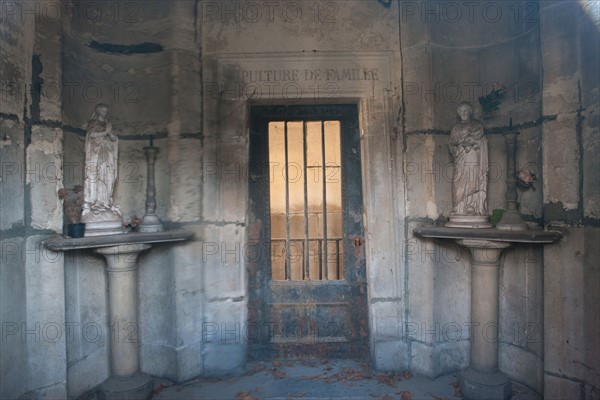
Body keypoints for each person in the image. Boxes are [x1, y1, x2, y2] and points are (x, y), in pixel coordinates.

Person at [81, 104, 121, 222]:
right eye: (103, 111)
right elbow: (91, 135)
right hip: (96, 156)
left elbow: (114, 139)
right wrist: (105, 132)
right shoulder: (93, 123)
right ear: (98, 112)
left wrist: (109, 132)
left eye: (106, 111)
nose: (105, 113)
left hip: (107, 156)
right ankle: (95, 203)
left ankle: (106, 203)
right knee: (95, 178)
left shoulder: (108, 125)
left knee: (107, 178)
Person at [448, 102, 489, 217]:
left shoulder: (476, 125)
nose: (463, 113)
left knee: (472, 180)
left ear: (470, 112)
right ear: (458, 113)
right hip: (460, 157)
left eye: (466, 111)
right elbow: (451, 142)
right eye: (461, 111)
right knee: (457, 181)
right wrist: (454, 149)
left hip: (472, 156)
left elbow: (481, 138)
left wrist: (473, 141)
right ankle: (458, 208)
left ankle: (472, 207)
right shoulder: (455, 128)